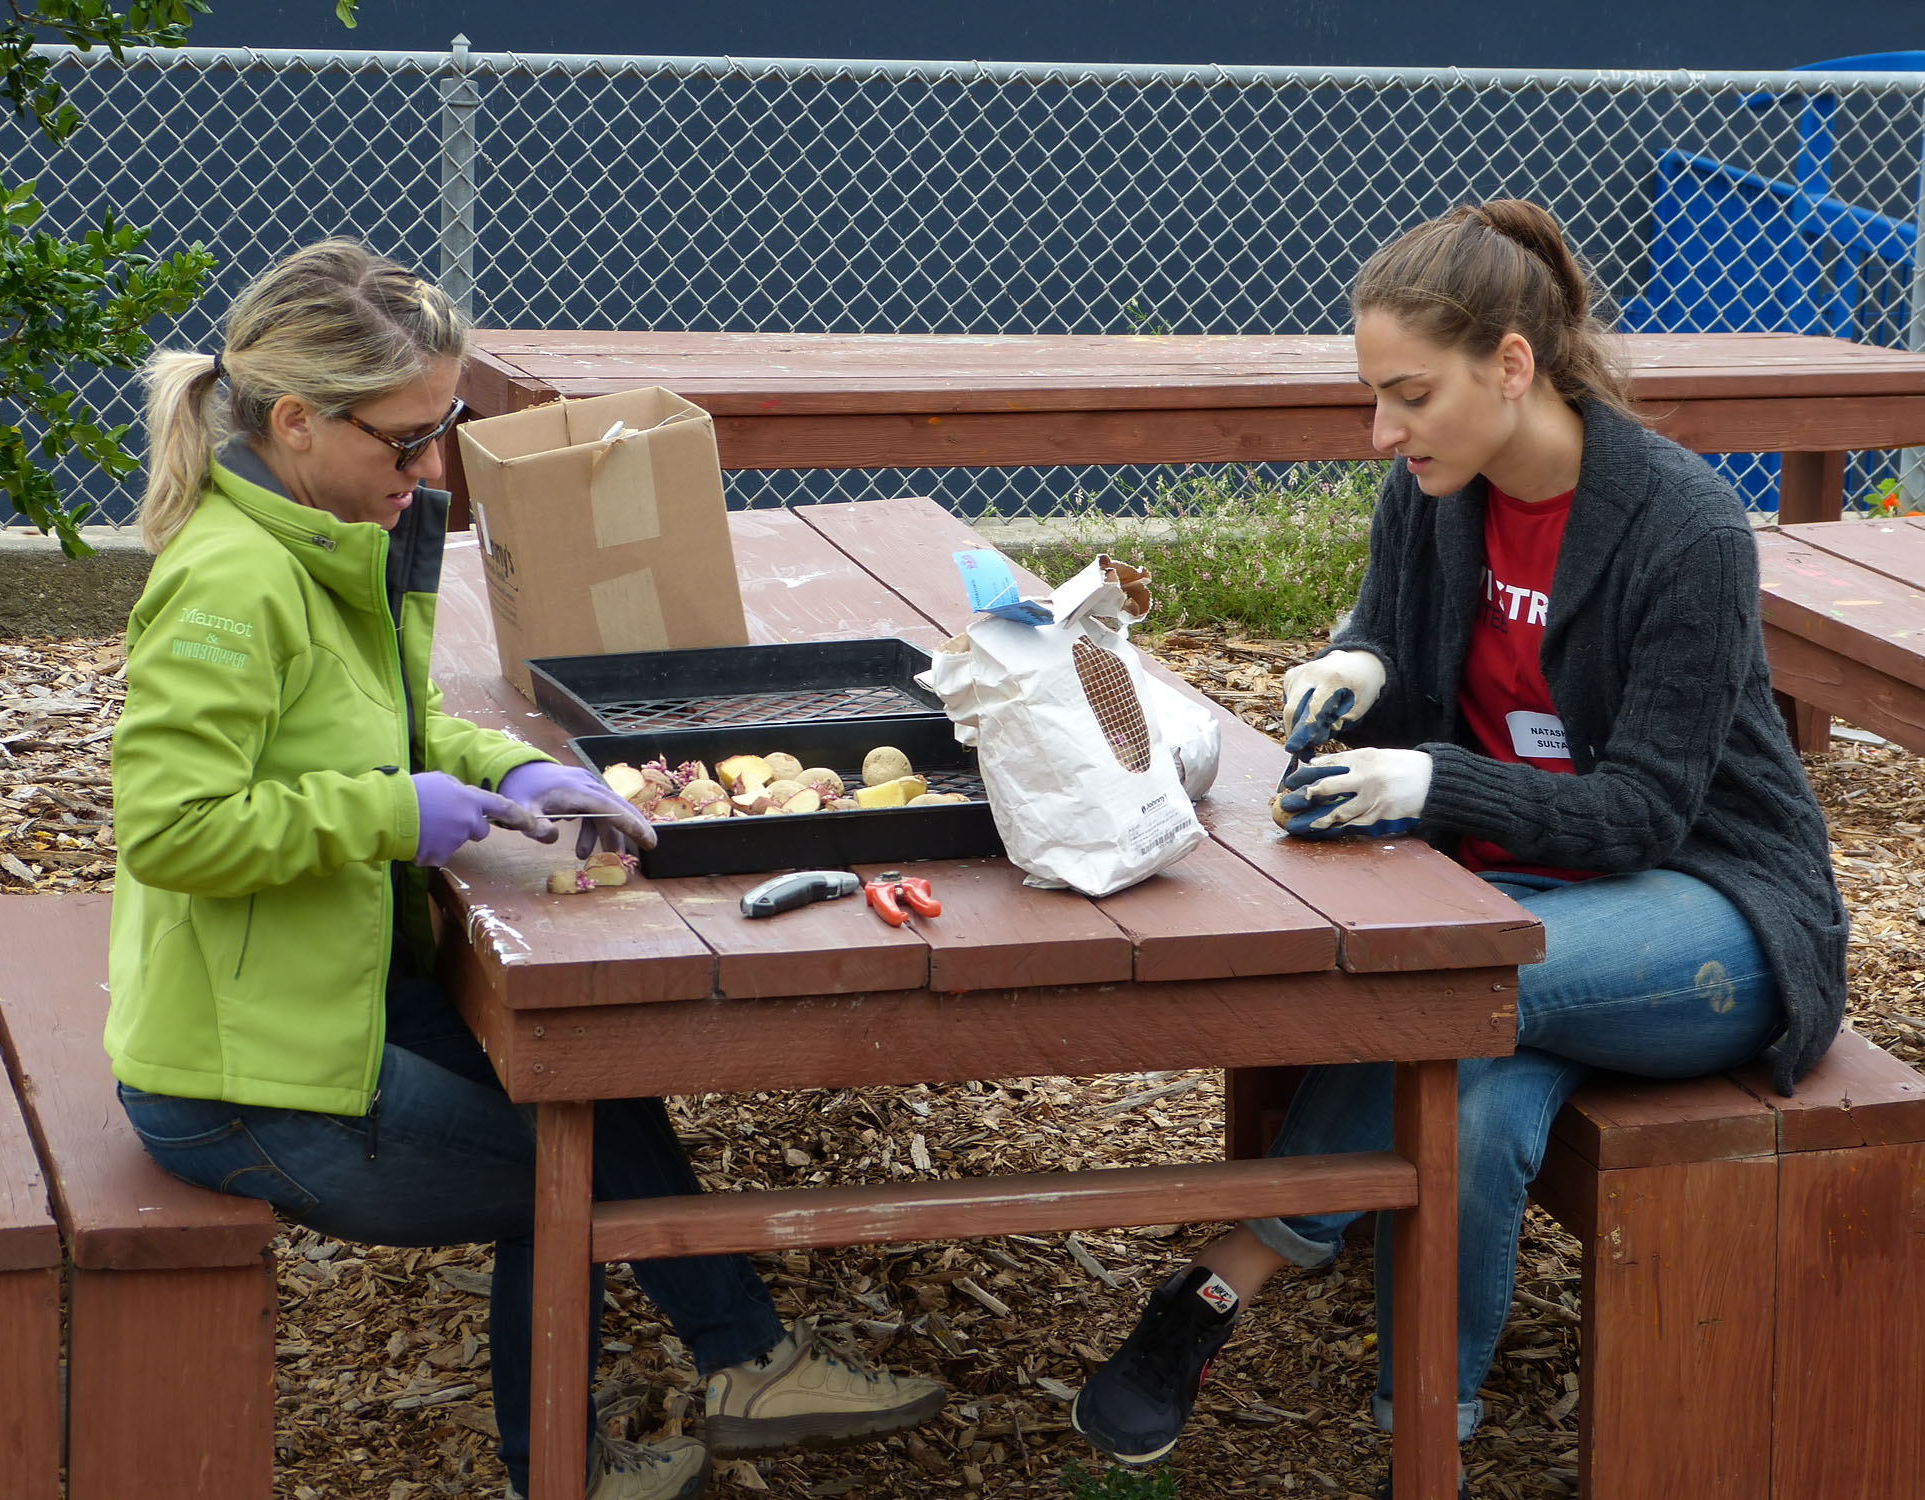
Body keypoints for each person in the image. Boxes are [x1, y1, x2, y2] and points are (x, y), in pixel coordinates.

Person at [106, 239, 945, 1500]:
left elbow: (386, 722)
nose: (433, 469)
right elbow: (171, 830)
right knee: (563, 1180)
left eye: (443, 430)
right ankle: (557, 1471)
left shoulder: (321, 533)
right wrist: (392, 813)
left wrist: (512, 769)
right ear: (295, 420)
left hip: (310, 1001)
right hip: (236, 1081)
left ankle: (750, 1366)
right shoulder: (231, 586)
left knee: (591, 1084)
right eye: (407, 441)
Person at [1068, 200, 1849, 1493]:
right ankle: (1428, 1445)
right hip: (1521, 901)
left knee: (1454, 988)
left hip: (1715, 912)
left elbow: (1643, 813)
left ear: (1511, 365)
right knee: (1476, 1109)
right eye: (1374, 397)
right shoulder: (1431, 493)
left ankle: (1225, 1274)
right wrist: (1356, 670)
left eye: (1410, 395)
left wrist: (1432, 778)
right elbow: (1387, 631)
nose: (1383, 432)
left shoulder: (1686, 527)